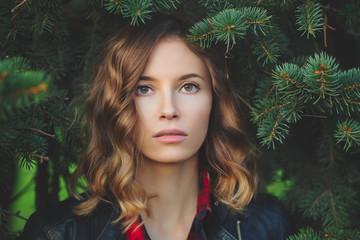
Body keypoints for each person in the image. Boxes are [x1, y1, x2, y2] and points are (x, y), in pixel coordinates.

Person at [21, 14, 291, 240]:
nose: (169, 110)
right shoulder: (56, 231)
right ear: (117, 104)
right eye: (144, 89)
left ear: (215, 101)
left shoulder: (268, 224)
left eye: (189, 86)